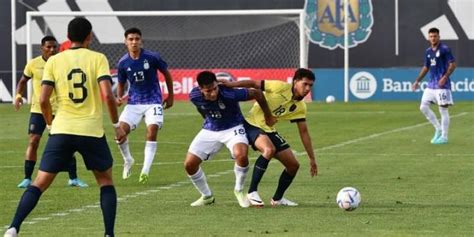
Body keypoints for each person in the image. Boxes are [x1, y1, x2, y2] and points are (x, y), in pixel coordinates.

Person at [4, 17, 125, 237]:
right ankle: (109, 234)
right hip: (91, 131)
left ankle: (13, 227)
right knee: (105, 181)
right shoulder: (98, 58)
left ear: (67, 38)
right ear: (89, 36)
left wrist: (50, 124)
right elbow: (107, 94)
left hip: (61, 129)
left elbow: (42, 100)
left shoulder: (54, 61)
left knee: (39, 183)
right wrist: (116, 125)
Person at [220, 68, 318, 207]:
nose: (308, 88)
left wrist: (312, 158)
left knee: (293, 165)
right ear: (295, 82)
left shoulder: (300, 107)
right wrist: (231, 84)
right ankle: (252, 191)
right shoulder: (280, 87)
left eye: (310, 85)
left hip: (269, 130)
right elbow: (254, 83)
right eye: (305, 84)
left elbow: (304, 132)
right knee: (268, 149)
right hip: (251, 124)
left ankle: (277, 199)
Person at [184, 71, 274, 207]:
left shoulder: (229, 93)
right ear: (201, 89)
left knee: (241, 155)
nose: (213, 93)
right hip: (210, 129)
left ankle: (239, 190)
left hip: (233, 128)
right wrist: (207, 118)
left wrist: (268, 115)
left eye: (215, 88)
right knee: (189, 165)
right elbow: (201, 107)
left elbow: (257, 93)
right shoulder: (194, 95)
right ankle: (207, 196)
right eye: (209, 91)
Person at [13, 36, 88, 189]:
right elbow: (22, 82)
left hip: (61, 110)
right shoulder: (33, 64)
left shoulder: (63, 63)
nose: (52, 50)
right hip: (38, 110)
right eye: (48, 47)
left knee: (66, 143)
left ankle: (73, 178)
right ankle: (27, 178)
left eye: (54, 47)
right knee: (33, 141)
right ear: (42, 48)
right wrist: (18, 96)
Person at [115, 27, 174, 184]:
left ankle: (145, 170)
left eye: (137, 39)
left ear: (141, 41)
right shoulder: (123, 62)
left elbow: (167, 74)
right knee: (119, 134)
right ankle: (128, 160)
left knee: (152, 130)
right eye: (131, 39)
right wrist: (119, 97)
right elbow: (121, 82)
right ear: (125, 41)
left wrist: (170, 96)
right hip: (133, 103)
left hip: (153, 101)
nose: (134, 42)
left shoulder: (152, 57)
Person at [412, 27, 456, 144]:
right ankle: (438, 128)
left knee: (443, 110)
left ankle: (444, 137)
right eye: (431, 36)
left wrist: (445, 77)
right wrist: (417, 81)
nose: (433, 38)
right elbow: (426, 67)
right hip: (431, 85)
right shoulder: (428, 51)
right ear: (428, 37)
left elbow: (453, 64)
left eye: (435, 36)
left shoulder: (445, 49)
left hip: (442, 85)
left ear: (439, 37)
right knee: (423, 107)